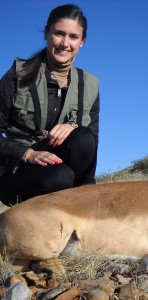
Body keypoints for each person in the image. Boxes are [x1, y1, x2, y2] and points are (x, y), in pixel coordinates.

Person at [0, 4, 100, 206]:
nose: (65, 43)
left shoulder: (90, 84)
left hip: (66, 171)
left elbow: (92, 141)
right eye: (59, 34)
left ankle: (87, 206)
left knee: (83, 138)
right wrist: (26, 154)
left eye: (73, 37)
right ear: (46, 33)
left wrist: (73, 126)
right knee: (59, 177)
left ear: (82, 42)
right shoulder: (17, 75)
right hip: (18, 170)